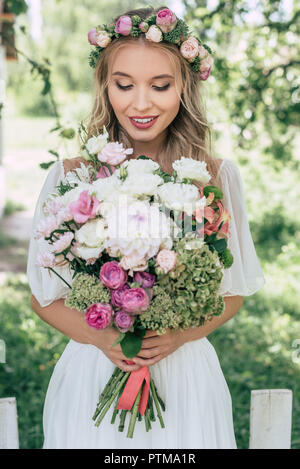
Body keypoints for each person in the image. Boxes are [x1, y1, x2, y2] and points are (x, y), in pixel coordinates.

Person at [27, 6, 266, 449]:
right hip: (97, 367)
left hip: (184, 372)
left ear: (184, 88)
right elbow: (44, 296)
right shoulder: (73, 178)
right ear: (105, 85)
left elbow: (234, 291)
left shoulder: (215, 177)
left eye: (160, 86)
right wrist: (103, 340)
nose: (141, 103)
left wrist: (178, 335)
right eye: (124, 85)